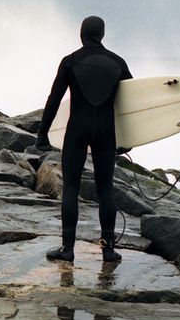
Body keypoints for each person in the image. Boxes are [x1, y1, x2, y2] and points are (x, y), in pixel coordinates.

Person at [36, 15, 133, 264]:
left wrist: (42, 133)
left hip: (77, 129)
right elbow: (131, 104)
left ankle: (67, 249)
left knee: (70, 187)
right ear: (102, 34)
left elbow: (54, 98)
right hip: (105, 131)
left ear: (81, 34)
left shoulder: (71, 61)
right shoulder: (118, 63)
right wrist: (129, 139)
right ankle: (108, 250)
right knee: (105, 190)